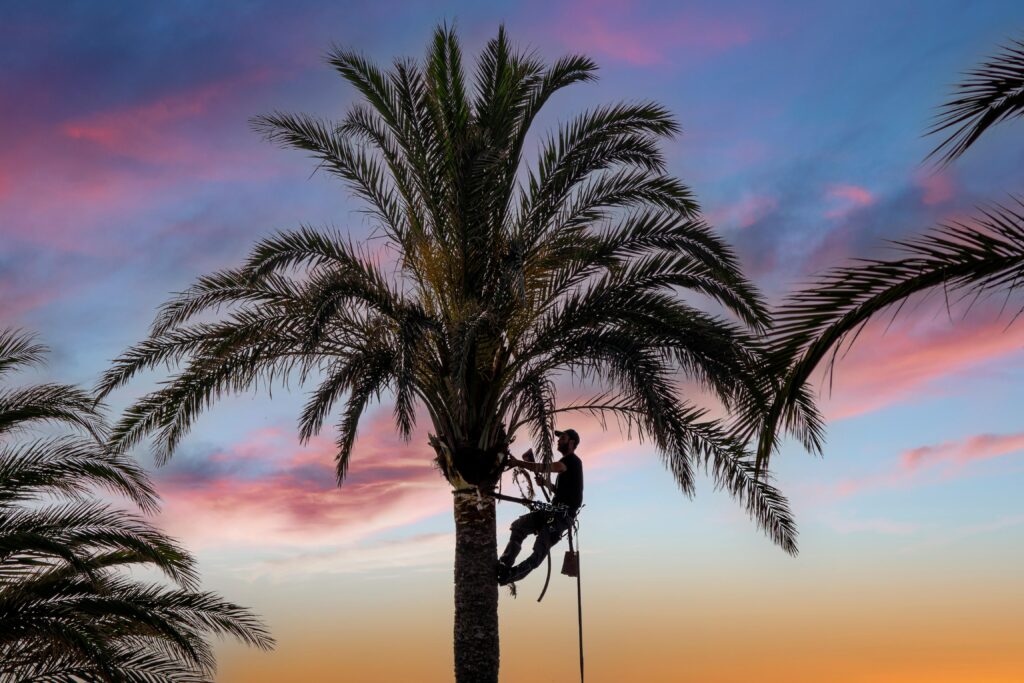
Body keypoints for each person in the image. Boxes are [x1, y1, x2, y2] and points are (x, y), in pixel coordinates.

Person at [497, 428, 583, 585]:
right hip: (553, 512)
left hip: (561, 518)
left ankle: (509, 576)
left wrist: (518, 463)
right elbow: (561, 492)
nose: (558, 440)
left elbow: (544, 467)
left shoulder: (572, 462)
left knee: (539, 551)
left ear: (571, 443)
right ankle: (504, 565)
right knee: (519, 526)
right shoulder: (567, 467)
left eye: (562, 438)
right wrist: (546, 484)